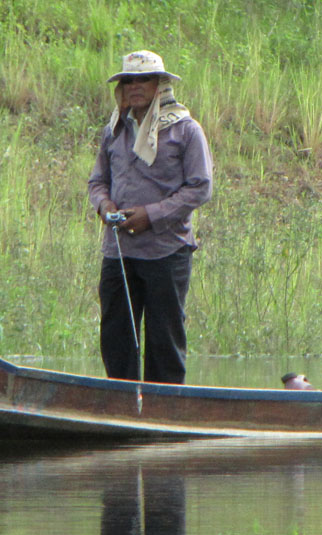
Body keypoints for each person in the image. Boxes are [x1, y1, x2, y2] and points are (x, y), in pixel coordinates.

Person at [88, 50, 213, 384]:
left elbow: (200, 187)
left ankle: (165, 412)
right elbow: (97, 182)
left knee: (164, 341)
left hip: (166, 250)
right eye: (128, 80)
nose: (135, 86)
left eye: (143, 79)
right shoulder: (113, 130)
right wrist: (105, 206)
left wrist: (152, 215)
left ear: (160, 84)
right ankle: (123, 407)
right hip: (118, 251)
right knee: (116, 338)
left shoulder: (186, 130)